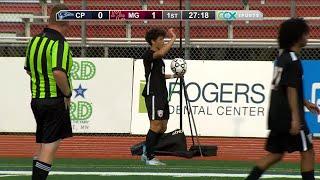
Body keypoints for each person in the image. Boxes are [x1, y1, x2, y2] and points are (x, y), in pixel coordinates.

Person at [246, 18, 319, 180]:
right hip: (290, 116)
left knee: (276, 154)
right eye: (305, 34)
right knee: (308, 152)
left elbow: (286, 86)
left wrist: (306, 102)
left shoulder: (282, 58)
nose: (308, 37)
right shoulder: (293, 60)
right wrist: (295, 118)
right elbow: (291, 90)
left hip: (277, 115)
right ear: (297, 37)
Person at [24, 4, 73, 179]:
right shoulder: (59, 43)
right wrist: (67, 93)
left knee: (43, 144)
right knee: (50, 146)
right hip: (54, 100)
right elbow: (58, 72)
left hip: (37, 98)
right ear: (65, 23)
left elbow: (29, 69)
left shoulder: (34, 40)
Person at [141, 28, 178, 165]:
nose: (163, 42)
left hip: (162, 93)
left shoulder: (159, 61)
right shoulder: (149, 54)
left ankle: (147, 149)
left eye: (164, 39)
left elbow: (159, 75)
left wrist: (174, 76)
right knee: (156, 125)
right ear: (153, 41)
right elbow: (162, 52)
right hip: (154, 94)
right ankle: (149, 156)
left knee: (163, 126)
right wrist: (173, 38)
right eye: (161, 39)